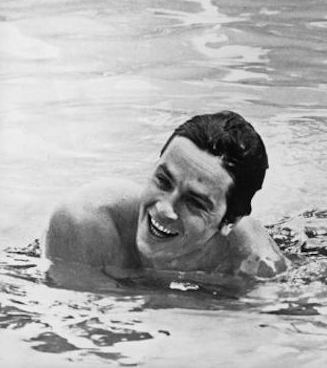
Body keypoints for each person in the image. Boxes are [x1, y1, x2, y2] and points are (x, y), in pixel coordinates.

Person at [43, 111, 287, 279]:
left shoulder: (254, 268)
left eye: (194, 202)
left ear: (229, 222)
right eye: (163, 181)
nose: (164, 209)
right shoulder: (84, 223)